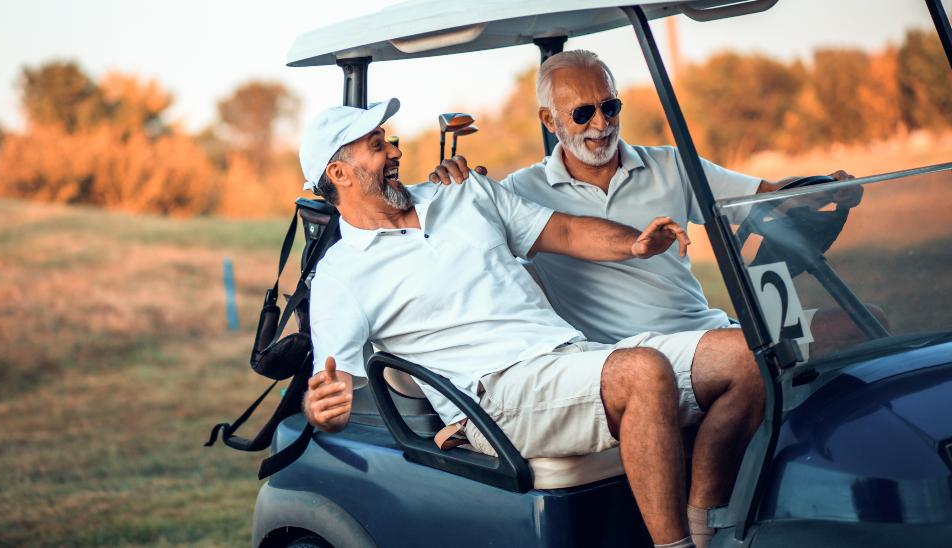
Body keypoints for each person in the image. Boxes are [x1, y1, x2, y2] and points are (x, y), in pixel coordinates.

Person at [299, 99, 763, 548]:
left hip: (569, 355)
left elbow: (561, 230)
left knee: (747, 356)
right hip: (490, 398)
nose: (396, 151)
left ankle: (706, 531)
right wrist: (322, 409)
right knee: (642, 371)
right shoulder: (341, 274)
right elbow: (330, 388)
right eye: (378, 146)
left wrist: (634, 244)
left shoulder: (462, 192)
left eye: (390, 140)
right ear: (340, 174)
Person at [428, 49, 869, 348]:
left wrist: (822, 189)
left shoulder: (670, 165)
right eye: (582, 113)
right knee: (753, 359)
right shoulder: (522, 192)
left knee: (865, 323)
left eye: (610, 106)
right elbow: (459, 245)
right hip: (631, 357)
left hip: (707, 331)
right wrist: (454, 187)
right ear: (549, 120)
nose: (600, 123)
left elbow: (766, 196)